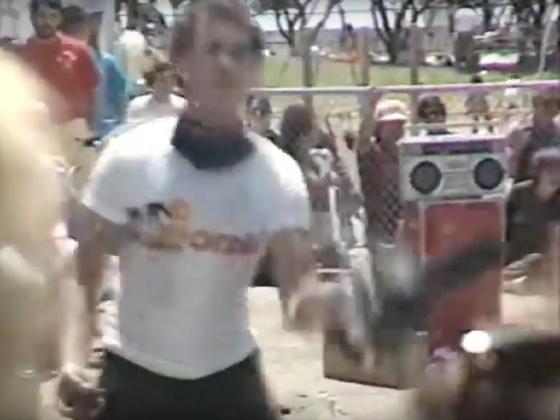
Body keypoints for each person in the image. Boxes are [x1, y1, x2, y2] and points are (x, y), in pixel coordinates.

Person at [58, 2, 353, 419]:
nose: (225, 64)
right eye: (212, 49)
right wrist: (73, 356)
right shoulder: (129, 157)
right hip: (134, 374)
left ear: (255, 68)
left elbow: (297, 292)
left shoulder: (278, 176)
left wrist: (331, 307)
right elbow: (83, 271)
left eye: (239, 52)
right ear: (182, 60)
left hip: (227, 377)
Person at [20, 0, 99, 127]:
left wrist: (91, 127)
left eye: (53, 16)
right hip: (35, 132)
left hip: (73, 131)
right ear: (32, 17)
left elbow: (93, 92)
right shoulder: (21, 54)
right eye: (41, 16)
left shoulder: (79, 51)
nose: (47, 22)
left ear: (60, 19)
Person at [60, 4, 127, 138]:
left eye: (79, 31)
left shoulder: (107, 63)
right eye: (71, 32)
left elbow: (120, 106)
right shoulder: (56, 63)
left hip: (102, 135)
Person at [358, 99, 408, 253]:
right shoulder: (373, 152)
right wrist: (370, 107)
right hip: (380, 226)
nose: (396, 129)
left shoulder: (408, 152)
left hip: (406, 224)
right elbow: (363, 141)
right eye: (390, 124)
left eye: (399, 124)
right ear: (378, 127)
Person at [506, 147, 560, 266]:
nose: (556, 176)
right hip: (517, 264)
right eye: (550, 171)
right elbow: (504, 228)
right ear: (538, 172)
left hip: (548, 267)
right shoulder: (519, 193)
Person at [509, 90, 560, 182]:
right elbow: (512, 168)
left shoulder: (558, 131)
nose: (553, 109)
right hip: (525, 183)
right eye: (547, 103)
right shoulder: (519, 131)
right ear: (535, 103)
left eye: (558, 104)